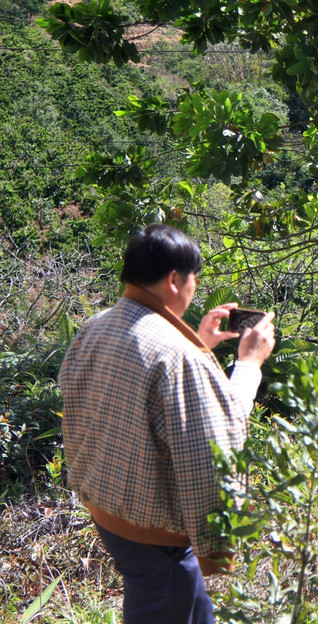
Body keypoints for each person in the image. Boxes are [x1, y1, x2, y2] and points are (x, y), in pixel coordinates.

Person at [58, 224, 276, 624]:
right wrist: (249, 364)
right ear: (175, 280)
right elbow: (219, 435)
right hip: (158, 538)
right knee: (167, 602)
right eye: (194, 277)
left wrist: (199, 343)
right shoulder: (176, 355)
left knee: (192, 608)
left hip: (108, 511)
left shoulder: (97, 326)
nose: (195, 286)